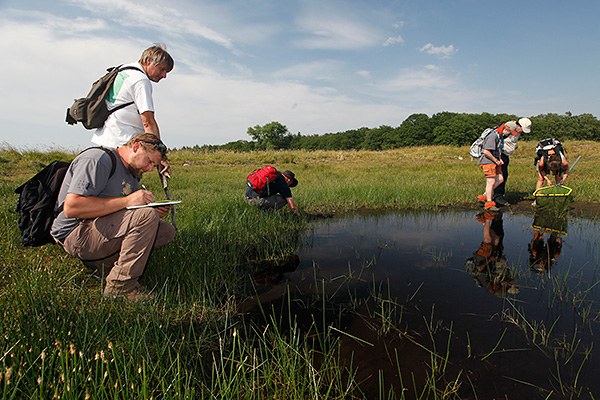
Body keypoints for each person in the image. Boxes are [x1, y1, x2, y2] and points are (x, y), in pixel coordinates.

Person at [51, 133, 176, 302]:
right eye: (149, 162)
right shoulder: (98, 160)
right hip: (75, 233)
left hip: (99, 227)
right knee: (146, 217)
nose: (149, 169)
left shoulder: (132, 172)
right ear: (136, 147)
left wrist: (152, 210)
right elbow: (72, 208)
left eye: (153, 165)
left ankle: (103, 266)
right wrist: (130, 201)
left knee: (165, 231)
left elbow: (123, 210)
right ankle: (120, 288)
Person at [91, 44, 174, 155]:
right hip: (124, 143)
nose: (164, 75)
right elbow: (148, 122)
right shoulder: (140, 80)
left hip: (107, 138)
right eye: (162, 69)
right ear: (149, 61)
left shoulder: (123, 70)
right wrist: (158, 153)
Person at [493, 118, 532, 206]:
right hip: (500, 155)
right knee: (500, 176)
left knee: (503, 176)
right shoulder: (507, 128)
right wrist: (498, 156)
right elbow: (497, 140)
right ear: (518, 126)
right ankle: (497, 197)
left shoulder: (516, 131)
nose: (522, 132)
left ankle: (492, 195)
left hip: (505, 155)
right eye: (522, 130)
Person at [476, 124, 512, 211]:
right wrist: (496, 160)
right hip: (488, 162)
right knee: (491, 182)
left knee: (500, 179)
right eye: (509, 132)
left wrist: (499, 159)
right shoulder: (493, 136)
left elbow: (497, 150)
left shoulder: (499, 136)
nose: (509, 134)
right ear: (505, 129)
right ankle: (489, 203)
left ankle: (484, 196)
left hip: (495, 162)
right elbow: (486, 151)